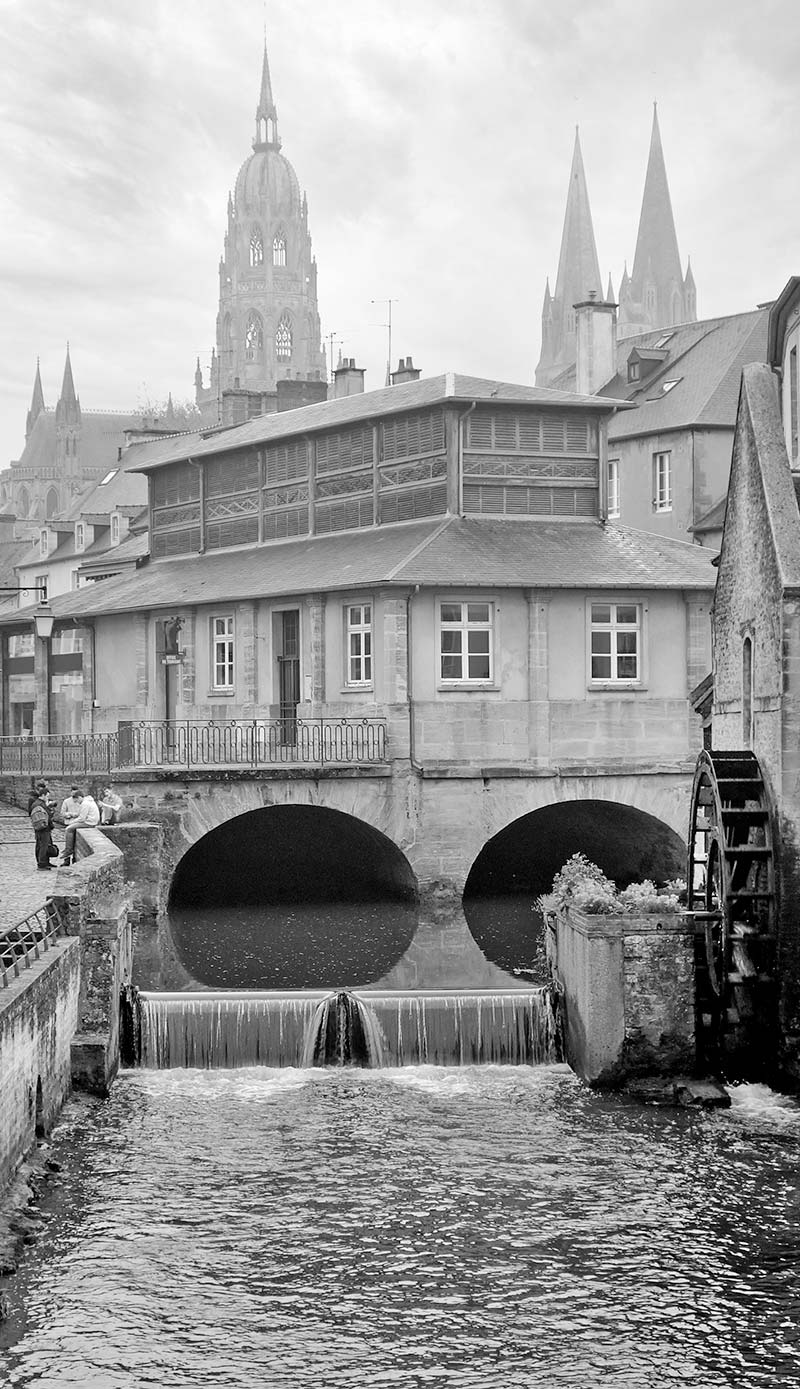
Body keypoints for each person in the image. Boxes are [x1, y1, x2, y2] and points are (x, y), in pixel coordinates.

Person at [60, 790, 100, 866]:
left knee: (69, 829)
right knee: (72, 829)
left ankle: (68, 850)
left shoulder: (85, 803)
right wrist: (74, 815)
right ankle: (69, 851)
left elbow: (82, 818)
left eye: (76, 800)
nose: (77, 802)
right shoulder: (89, 801)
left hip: (89, 823)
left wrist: (72, 822)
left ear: (79, 797)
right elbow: (80, 814)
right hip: (92, 821)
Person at [29, 787, 55, 871]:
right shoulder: (40, 804)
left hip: (39, 827)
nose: (47, 798)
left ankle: (45, 862)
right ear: (43, 795)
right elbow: (48, 816)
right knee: (43, 845)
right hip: (43, 827)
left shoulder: (35, 803)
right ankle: (42, 864)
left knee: (42, 845)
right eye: (47, 796)